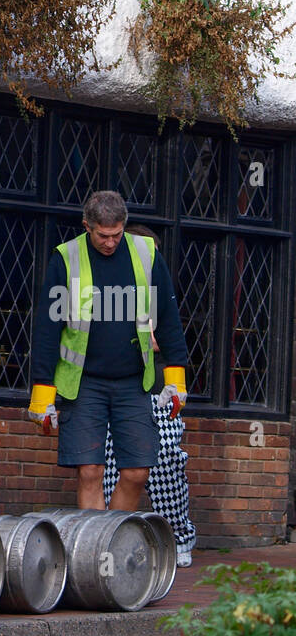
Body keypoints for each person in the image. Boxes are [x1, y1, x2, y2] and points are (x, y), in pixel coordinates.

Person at [27, 190, 188, 512]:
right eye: (103, 235)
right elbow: (47, 329)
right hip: (83, 383)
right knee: (90, 470)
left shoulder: (146, 253)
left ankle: (111, 541)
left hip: (133, 381)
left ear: (124, 226)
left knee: (138, 471)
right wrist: (42, 393)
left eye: (116, 235)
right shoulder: (66, 257)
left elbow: (168, 318)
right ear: (87, 226)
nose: (110, 242)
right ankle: (93, 552)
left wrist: (176, 380)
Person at [102, 225, 196, 564]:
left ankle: (178, 539)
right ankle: (108, 543)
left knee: (167, 463)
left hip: (158, 390)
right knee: (113, 467)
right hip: (118, 389)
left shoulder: (161, 290)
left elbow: (171, 339)